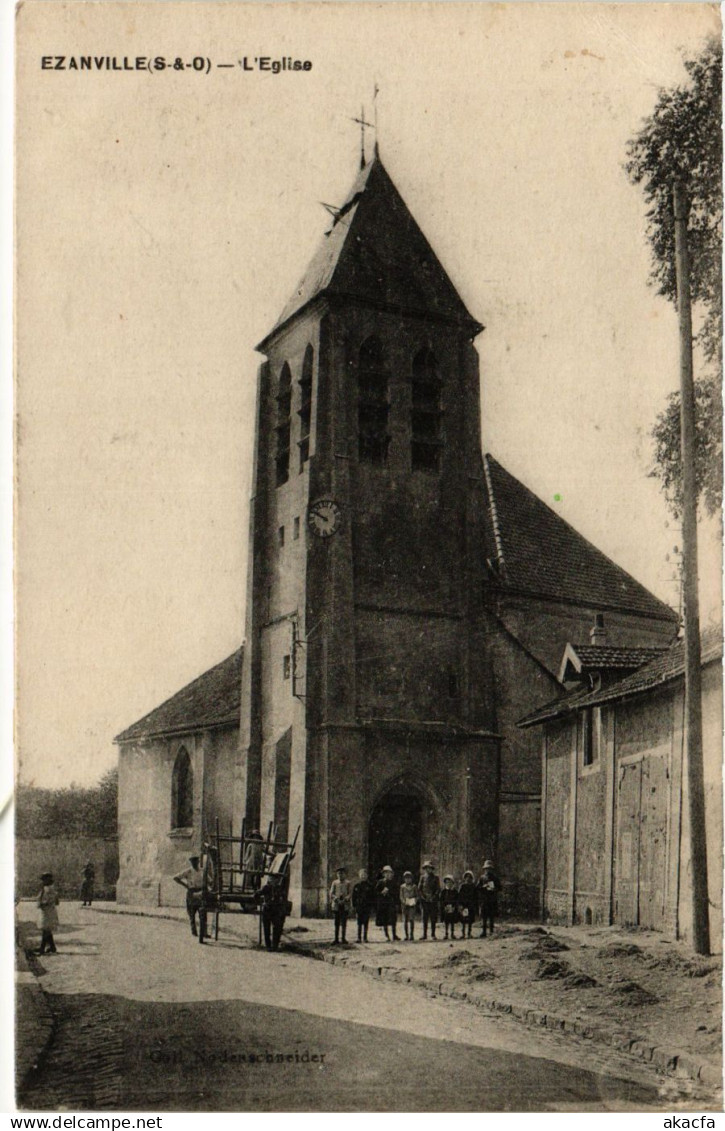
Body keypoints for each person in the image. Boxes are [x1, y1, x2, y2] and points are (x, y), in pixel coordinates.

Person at [173, 855, 206, 938]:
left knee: (202, 913)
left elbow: (209, 880)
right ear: (191, 863)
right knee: (192, 913)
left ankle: (204, 932)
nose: (194, 864)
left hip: (201, 892)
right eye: (193, 862)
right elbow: (176, 878)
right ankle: (194, 931)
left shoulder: (202, 871)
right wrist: (185, 885)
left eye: (196, 862)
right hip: (191, 893)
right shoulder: (188, 871)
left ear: (198, 862)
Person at [257, 873, 287, 951]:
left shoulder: (279, 888)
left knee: (276, 928)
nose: (275, 881)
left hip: (275, 910)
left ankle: (275, 945)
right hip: (267, 909)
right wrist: (261, 900)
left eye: (276, 880)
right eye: (273, 879)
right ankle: (268, 946)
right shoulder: (266, 888)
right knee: (267, 929)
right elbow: (257, 894)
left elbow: (283, 898)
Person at [36, 872, 59, 954]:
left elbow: (49, 901)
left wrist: (41, 904)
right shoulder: (49, 888)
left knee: (46, 930)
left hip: (47, 911)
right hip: (48, 911)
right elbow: (57, 902)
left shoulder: (48, 889)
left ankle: (42, 949)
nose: (42, 882)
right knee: (47, 930)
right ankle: (52, 947)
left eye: (44, 880)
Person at [375, 865, 399, 941]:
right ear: (383, 874)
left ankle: (394, 935)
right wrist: (382, 892)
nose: (388, 875)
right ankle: (386, 935)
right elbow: (376, 892)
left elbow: (397, 893)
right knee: (385, 919)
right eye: (386, 873)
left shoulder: (394, 882)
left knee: (393, 919)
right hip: (383, 903)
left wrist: (391, 893)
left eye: (389, 873)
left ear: (392, 874)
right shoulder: (380, 882)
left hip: (391, 903)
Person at [477, 860, 501, 938]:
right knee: (484, 916)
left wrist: (495, 889)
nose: (488, 870)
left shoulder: (495, 878)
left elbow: (500, 888)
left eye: (489, 869)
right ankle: (484, 931)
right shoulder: (482, 878)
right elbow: (477, 887)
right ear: (484, 869)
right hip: (484, 899)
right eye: (487, 869)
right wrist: (483, 887)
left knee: (491, 916)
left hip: (492, 899)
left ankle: (491, 931)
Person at [418, 860, 440, 940]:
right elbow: (419, 889)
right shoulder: (422, 877)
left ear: (432, 869)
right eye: (426, 868)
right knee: (425, 918)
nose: (428, 870)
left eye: (429, 868)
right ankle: (424, 934)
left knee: (433, 918)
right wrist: (423, 897)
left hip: (433, 901)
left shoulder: (436, 878)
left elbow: (438, 889)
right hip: (424, 901)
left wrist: (433, 897)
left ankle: (433, 934)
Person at [329, 866, 352, 945]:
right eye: (338, 874)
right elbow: (331, 893)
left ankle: (343, 938)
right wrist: (336, 899)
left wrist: (345, 899)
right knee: (336, 922)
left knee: (344, 922)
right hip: (336, 905)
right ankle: (336, 939)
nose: (340, 875)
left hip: (344, 905)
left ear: (345, 874)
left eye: (342, 873)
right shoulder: (334, 883)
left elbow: (350, 893)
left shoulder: (348, 883)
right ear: (337, 875)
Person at [352, 868, 375, 942]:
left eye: (365, 875)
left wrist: (372, 907)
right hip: (359, 906)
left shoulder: (370, 886)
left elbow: (372, 897)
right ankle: (358, 938)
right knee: (359, 922)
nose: (363, 876)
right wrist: (354, 905)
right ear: (359, 876)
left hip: (367, 907)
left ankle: (365, 937)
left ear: (367, 876)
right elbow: (354, 897)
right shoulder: (357, 886)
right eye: (362, 875)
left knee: (366, 922)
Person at [399, 871, 419, 941]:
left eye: (409, 878)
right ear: (404, 879)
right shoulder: (402, 886)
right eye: (406, 878)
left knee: (411, 920)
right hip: (405, 906)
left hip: (412, 905)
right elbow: (401, 896)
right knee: (405, 920)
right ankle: (406, 935)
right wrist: (404, 902)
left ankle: (411, 935)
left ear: (412, 879)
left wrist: (414, 901)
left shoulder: (414, 886)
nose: (408, 880)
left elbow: (417, 896)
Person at [458, 870, 478, 939]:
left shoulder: (473, 886)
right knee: (463, 919)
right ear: (464, 878)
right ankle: (463, 933)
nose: (468, 878)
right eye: (466, 877)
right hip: (464, 905)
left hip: (471, 905)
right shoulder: (462, 886)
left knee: (470, 920)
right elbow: (459, 896)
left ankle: (469, 933)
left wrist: (475, 905)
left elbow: (476, 896)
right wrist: (460, 905)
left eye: (470, 877)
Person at [440, 875, 459, 940]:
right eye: (447, 882)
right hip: (446, 908)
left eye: (450, 882)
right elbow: (441, 900)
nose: (449, 884)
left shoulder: (455, 892)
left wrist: (454, 907)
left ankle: (452, 933)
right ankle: (446, 933)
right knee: (446, 921)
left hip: (452, 908)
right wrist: (444, 907)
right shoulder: (443, 891)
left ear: (452, 883)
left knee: (452, 921)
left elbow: (457, 900)